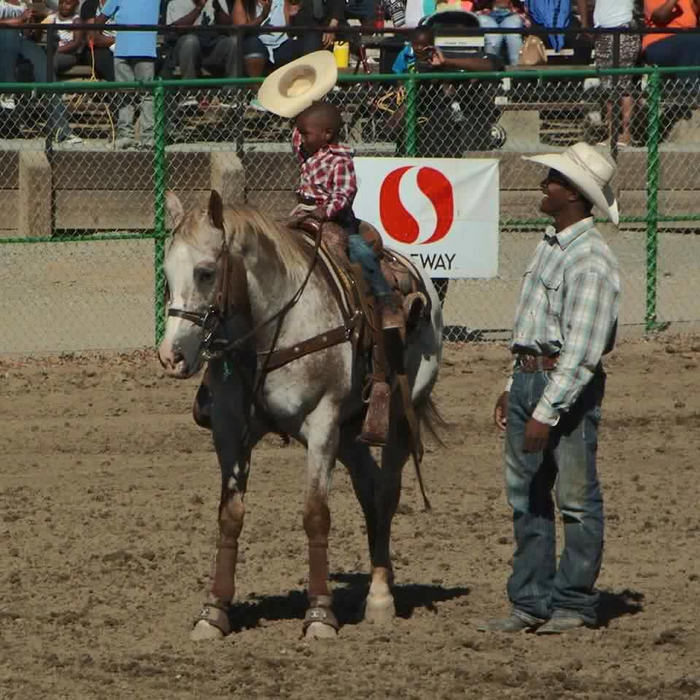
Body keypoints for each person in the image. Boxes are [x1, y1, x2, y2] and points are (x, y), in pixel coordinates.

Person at [481, 142, 620, 634]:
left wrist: (545, 408)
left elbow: (582, 349)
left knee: (574, 498)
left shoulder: (590, 260)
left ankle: (572, 602)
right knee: (527, 494)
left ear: (576, 197)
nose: (544, 185)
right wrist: (512, 382)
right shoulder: (550, 247)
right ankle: (533, 602)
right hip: (531, 377)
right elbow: (532, 326)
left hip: (560, 386)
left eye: (554, 181)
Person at [291, 101, 404, 444]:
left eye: (305, 132)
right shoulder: (309, 150)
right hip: (304, 213)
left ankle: (385, 302)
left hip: (336, 219)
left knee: (359, 254)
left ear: (326, 134)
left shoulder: (340, 159)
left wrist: (325, 210)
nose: (300, 137)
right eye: (299, 132)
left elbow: (345, 193)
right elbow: (296, 136)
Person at [0, 0, 82, 145]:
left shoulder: (23, 4)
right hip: (3, 44)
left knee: (45, 69)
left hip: (19, 45)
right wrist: (20, 20)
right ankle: (8, 91)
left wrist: (30, 20)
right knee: (8, 33)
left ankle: (61, 131)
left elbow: (26, 33)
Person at [235, 0, 322, 111]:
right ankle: (259, 95)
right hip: (256, 45)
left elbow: (288, 26)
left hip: (280, 45)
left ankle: (308, 91)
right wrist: (262, 17)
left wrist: (294, 15)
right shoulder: (243, 2)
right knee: (253, 43)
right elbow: (239, 30)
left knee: (312, 38)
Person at [94, 0, 159, 149]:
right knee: (124, 94)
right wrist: (95, 35)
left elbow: (100, 20)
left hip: (145, 51)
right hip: (122, 51)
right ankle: (126, 136)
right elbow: (101, 18)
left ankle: (148, 138)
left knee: (147, 95)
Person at [578, 0, 640, 147]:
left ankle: (626, 133)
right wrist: (585, 24)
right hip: (602, 30)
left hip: (624, 27)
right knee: (607, 86)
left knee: (624, 85)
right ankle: (612, 134)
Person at [166, 0, 242, 102]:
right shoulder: (175, 3)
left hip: (211, 43)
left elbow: (227, 27)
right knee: (190, 40)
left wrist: (218, 8)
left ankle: (230, 93)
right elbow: (178, 30)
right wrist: (199, 7)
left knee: (234, 41)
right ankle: (189, 93)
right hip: (186, 46)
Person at [642, 0, 700, 79]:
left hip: (688, 41)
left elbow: (694, 12)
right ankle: (688, 87)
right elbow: (659, 18)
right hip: (658, 43)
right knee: (694, 40)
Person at [37, 0, 85, 77]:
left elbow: (76, 42)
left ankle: (48, 86)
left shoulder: (76, 20)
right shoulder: (53, 17)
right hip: (51, 51)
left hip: (69, 54)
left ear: (76, 5)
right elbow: (39, 29)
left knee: (52, 62)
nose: (63, 5)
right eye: (61, 3)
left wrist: (58, 50)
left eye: (68, 3)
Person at [474, 0, 529, 66]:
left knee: (513, 35)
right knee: (493, 38)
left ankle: (517, 72)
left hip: (511, 12)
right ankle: (491, 72)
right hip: (484, 12)